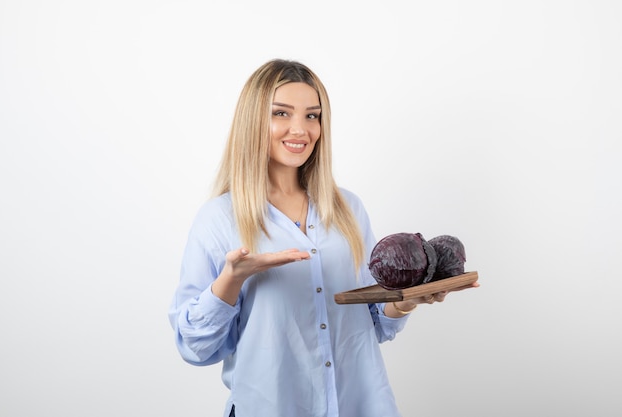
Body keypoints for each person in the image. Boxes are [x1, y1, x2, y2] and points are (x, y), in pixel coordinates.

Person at [168, 59, 477, 417]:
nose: (300, 129)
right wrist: (231, 279)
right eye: (281, 114)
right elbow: (196, 348)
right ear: (252, 120)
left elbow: (374, 321)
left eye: (312, 116)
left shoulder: (347, 209)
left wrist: (409, 300)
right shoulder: (219, 219)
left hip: (360, 406)